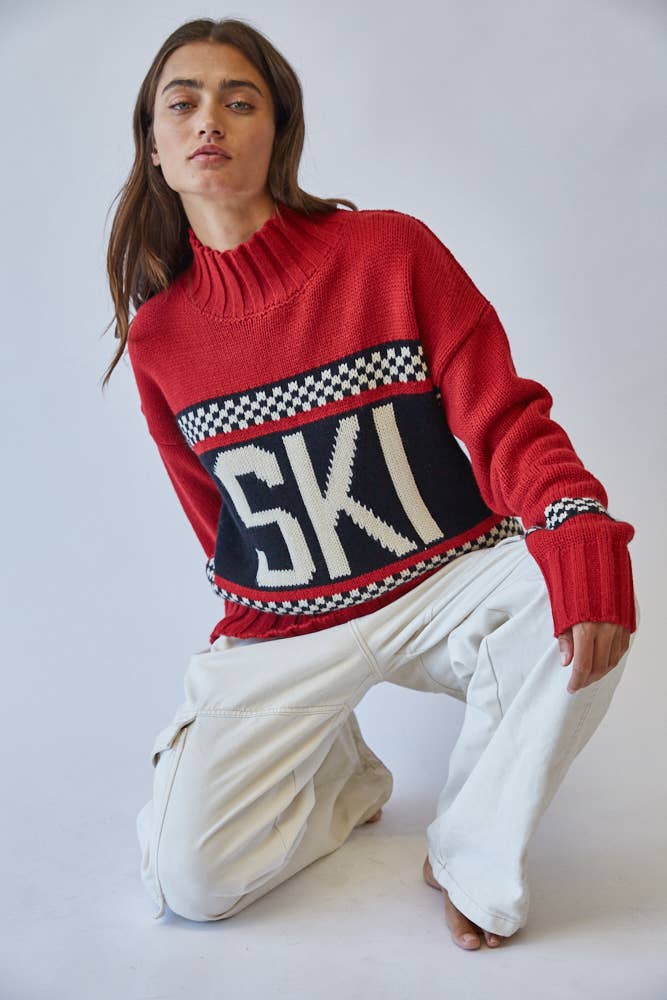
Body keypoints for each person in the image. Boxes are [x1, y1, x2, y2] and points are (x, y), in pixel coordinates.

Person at [102, 18, 640, 950]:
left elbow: (502, 417)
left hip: (444, 582)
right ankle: (343, 779)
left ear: (280, 131)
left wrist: (572, 516)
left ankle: (469, 852)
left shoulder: (388, 252)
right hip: (290, 626)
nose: (209, 121)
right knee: (192, 883)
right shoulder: (160, 339)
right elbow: (214, 516)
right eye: (181, 104)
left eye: (240, 101)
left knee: (576, 578)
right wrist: (252, 679)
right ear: (154, 145)